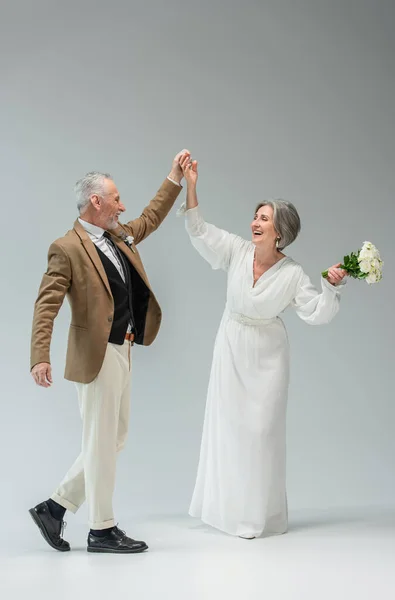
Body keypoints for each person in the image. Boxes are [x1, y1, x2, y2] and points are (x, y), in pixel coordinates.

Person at [29, 150, 190, 553]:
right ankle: (101, 529)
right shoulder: (66, 247)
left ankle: (54, 507)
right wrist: (40, 355)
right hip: (95, 356)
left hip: (124, 349)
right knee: (102, 442)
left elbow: (151, 216)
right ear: (95, 202)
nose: (123, 206)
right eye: (116, 198)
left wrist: (174, 177)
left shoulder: (120, 235)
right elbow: (46, 304)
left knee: (112, 439)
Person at [180, 157, 346, 539]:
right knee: (228, 430)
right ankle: (226, 513)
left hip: (268, 357)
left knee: (260, 434)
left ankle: (257, 517)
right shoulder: (237, 251)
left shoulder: (292, 275)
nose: (255, 222)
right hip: (231, 345)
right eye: (255, 216)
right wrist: (191, 185)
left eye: (264, 219)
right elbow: (199, 230)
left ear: (280, 233)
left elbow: (317, 313)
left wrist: (331, 286)